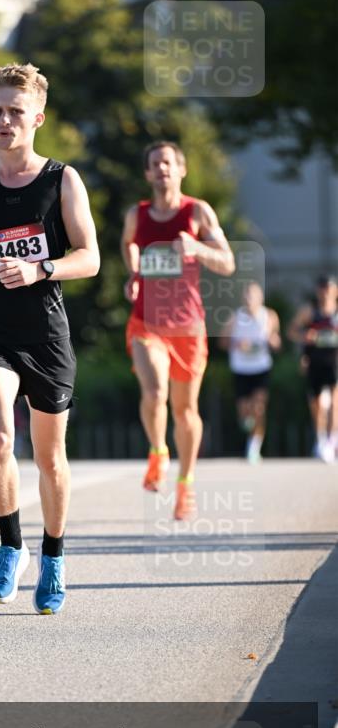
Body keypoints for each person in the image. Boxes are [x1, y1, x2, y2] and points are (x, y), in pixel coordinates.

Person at [0, 63, 100, 614]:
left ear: (37, 119)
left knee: (50, 459)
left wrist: (41, 269)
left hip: (44, 333)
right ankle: (10, 546)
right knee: (1, 437)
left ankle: (52, 557)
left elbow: (91, 258)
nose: (4, 120)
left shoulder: (61, 181)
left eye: (15, 112)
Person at [120, 141, 235, 520]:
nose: (162, 169)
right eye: (155, 164)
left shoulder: (197, 211)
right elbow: (128, 246)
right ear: (148, 174)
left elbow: (227, 263)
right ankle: (158, 451)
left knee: (185, 411)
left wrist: (197, 250)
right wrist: (134, 275)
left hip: (187, 326)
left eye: (168, 162)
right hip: (146, 321)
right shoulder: (137, 215)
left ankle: (185, 485)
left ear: (180, 169)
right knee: (154, 392)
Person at [220, 281, 281, 463]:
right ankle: (249, 431)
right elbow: (222, 343)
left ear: (260, 298)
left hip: (261, 368)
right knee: (245, 413)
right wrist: (237, 344)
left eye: (252, 295)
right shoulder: (234, 318)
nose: (249, 299)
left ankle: (254, 446)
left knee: (259, 407)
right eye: (246, 295)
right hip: (241, 369)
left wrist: (272, 341)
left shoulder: (269, 316)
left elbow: (277, 342)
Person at [288, 274, 338, 463]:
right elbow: (292, 331)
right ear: (318, 291)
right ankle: (320, 440)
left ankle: (333, 442)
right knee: (317, 406)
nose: (325, 293)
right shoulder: (309, 311)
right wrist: (305, 336)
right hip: (315, 362)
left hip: (334, 362)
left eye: (329, 289)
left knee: (334, 402)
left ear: (335, 291)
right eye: (322, 289)